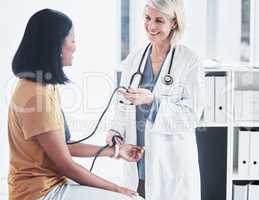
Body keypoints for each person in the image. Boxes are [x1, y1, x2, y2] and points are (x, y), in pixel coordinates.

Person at [8, 9, 144, 200]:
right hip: (38, 194)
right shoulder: (35, 96)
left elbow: (63, 146)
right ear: (56, 46)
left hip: (54, 183)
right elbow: (66, 165)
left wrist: (116, 151)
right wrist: (117, 189)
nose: (75, 47)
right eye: (72, 40)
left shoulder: (45, 86)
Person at [106, 0, 205, 199]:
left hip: (170, 165)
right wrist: (115, 132)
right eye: (147, 18)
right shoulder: (134, 59)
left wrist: (153, 102)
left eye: (159, 20)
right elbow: (122, 105)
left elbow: (191, 116)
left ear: (174, 23)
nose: (151, 26)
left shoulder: (189, 60)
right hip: (137, 162)